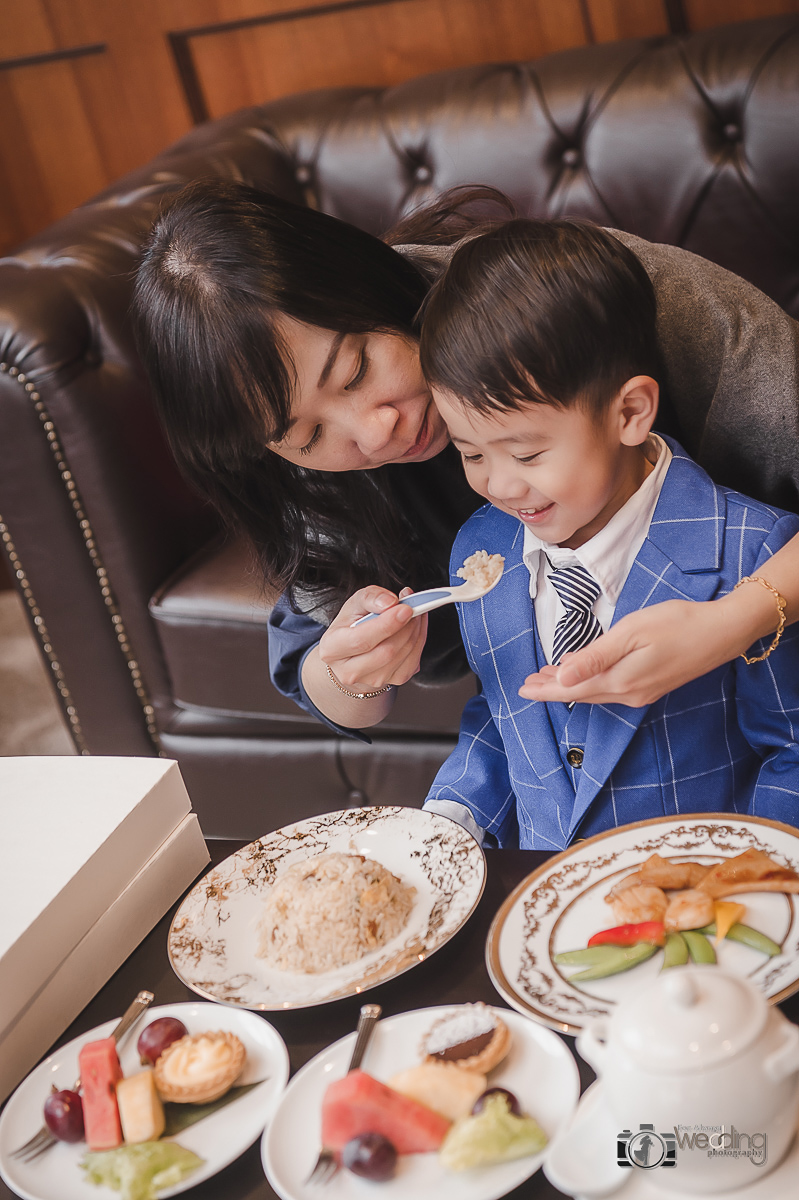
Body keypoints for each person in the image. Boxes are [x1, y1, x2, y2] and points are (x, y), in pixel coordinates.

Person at [132, 179, 799, 741]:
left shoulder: (584, 303)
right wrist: (349, 675)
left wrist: (731, 620)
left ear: (371, 284)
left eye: (358, 368)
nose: (374, 434)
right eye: (304, 435)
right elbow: (315, 651)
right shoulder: (314, 480)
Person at [419, 218, 799, 849]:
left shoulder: (750, 551)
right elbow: (504, 714)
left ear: (629, 412)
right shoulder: (479, 549)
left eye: (527, 453)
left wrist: (752, 877)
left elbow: (793, 749)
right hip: (544, 905)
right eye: (470, 453)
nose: (500, 486)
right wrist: (449, 823)